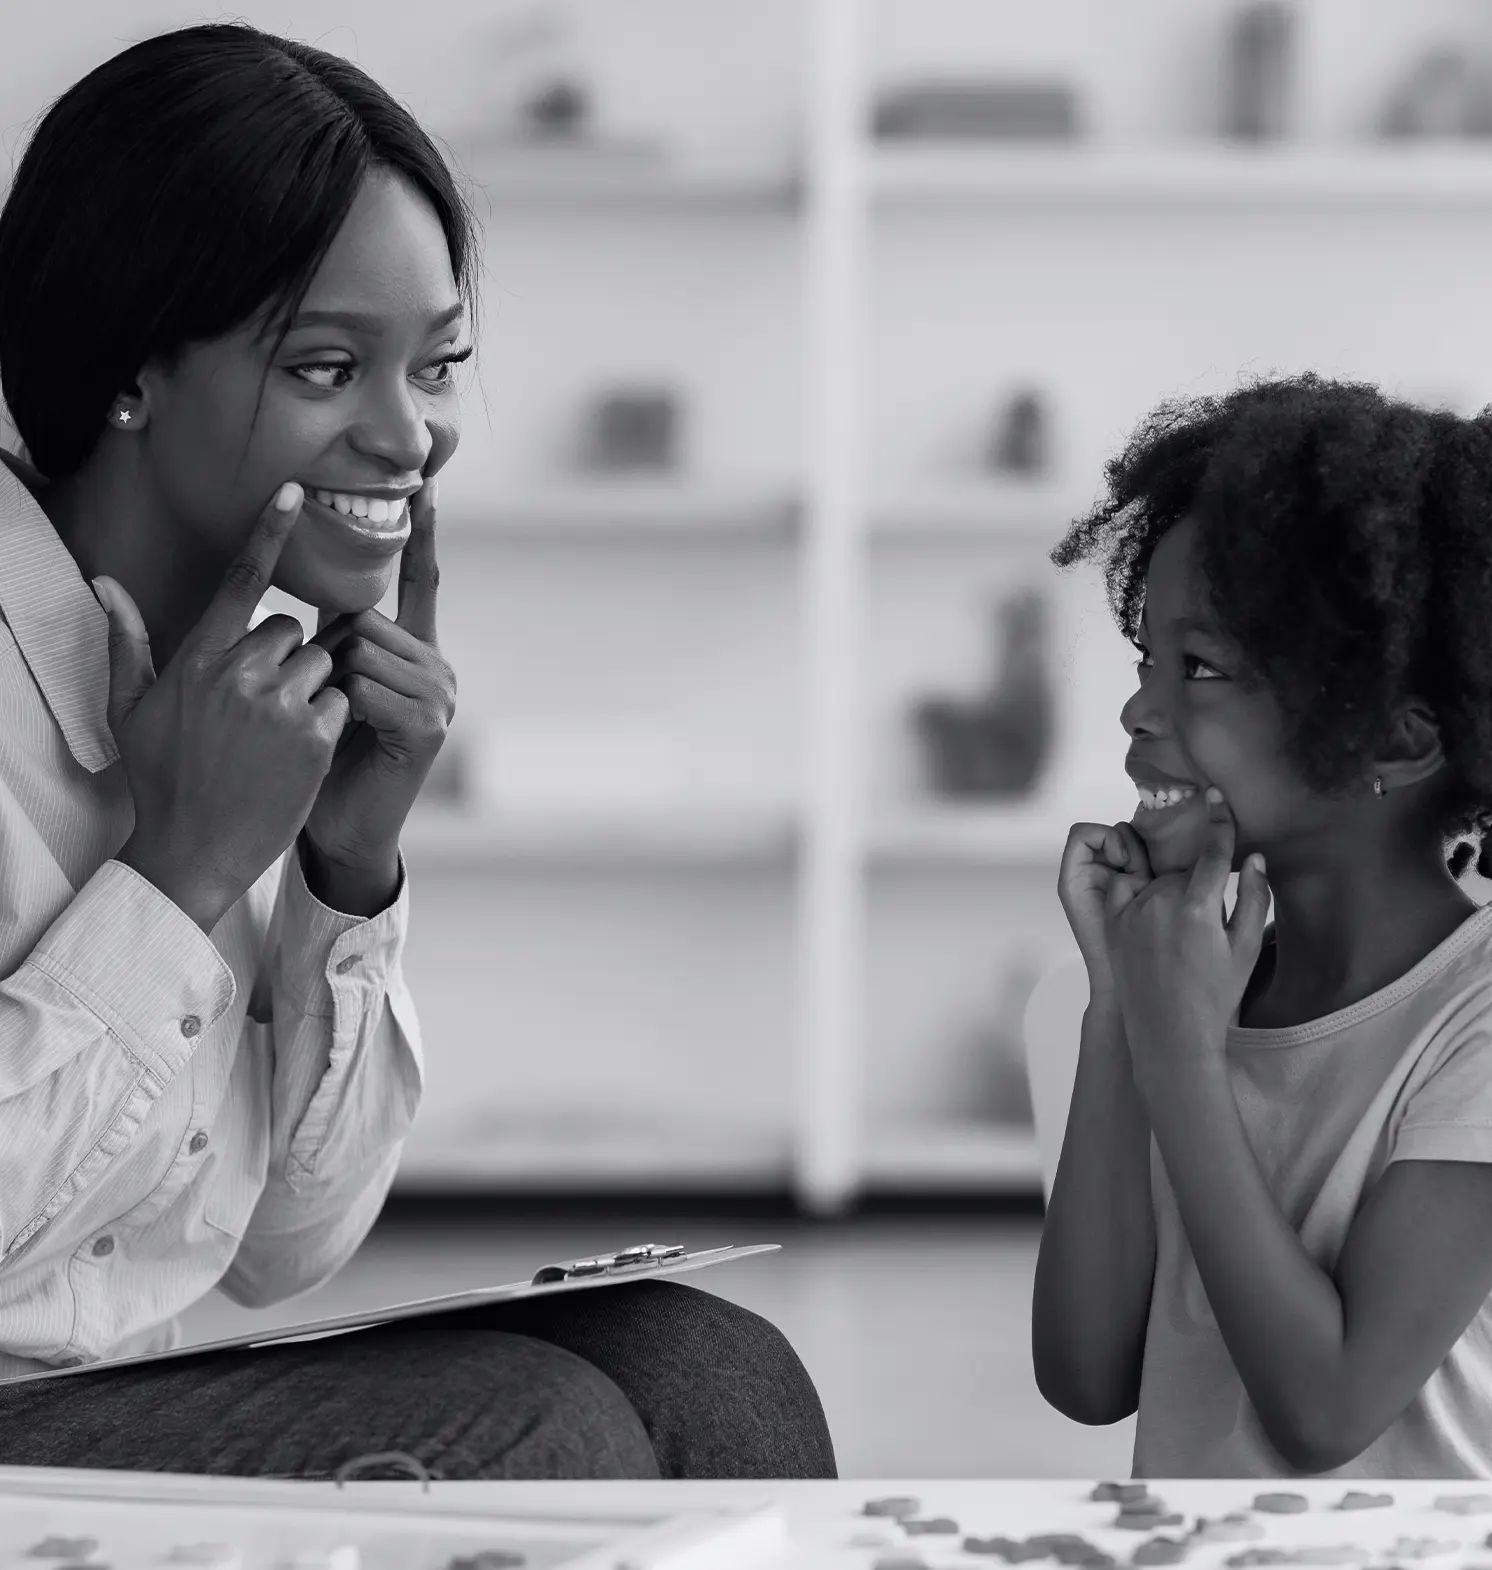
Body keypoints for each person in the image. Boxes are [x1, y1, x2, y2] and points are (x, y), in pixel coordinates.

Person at [0, 22, 835, 1481]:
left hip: (98, 1399)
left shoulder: (252, 695)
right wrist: (178, 870)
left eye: (438, 365)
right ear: (132, 367)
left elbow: (281, 1250)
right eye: (330, 368)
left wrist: (345, 866)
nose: (415, 437)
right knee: (542, 1430)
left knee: (709, 1361)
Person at [1032, 371, 1492, 1479]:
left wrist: (1183, 1050)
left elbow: (1327, 1411)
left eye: (1200, 669)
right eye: (1147, 659)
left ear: (1397, 742)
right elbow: (1088, 1376)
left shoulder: (1471, 1020)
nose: (1140, 708)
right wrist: (1119, 1014)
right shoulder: (1192, 980)